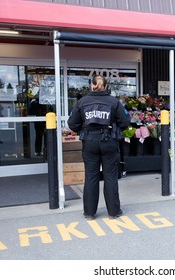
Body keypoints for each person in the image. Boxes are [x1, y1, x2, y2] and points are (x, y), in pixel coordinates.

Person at [68, 75, 131, 220]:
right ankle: (113, 212)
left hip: (89, 142)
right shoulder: (114, 102)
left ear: (92, 86)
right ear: (106, 86)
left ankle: (89, 213)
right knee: (110, 176)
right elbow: (125, 121)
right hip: (109, 141)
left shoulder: (82, 102)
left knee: (91, 176)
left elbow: (72, 124)